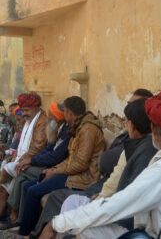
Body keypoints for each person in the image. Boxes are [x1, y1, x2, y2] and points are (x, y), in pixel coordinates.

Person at [40, 90, 161, 239]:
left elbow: (123, 201)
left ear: (152, 128)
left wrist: (58, 223)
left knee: (79, 226)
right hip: (138, 220)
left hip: (149, 231)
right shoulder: (151, 152)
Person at [18, 96, 105, 236]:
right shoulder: (79, 127)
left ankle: (25, 233)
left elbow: (81, 164)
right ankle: (29, 228)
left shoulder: (88, 129)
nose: (64, 116)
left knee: (34, 191)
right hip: (71, 173)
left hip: (82, 178)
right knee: (30, 186)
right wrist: (54, 170)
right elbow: (72, 159)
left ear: (70, 113)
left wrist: (56, 171)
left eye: (65, 112)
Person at [2, 101, 70, 229]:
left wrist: (31, 161)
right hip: (44, 164)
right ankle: (18, 218)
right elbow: (47, 149)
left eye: (51, 115)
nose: (48, 117)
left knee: (21, 171)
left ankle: (14, 214)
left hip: (53, 168)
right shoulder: (57, 128)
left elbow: (56, 156)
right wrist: (30, 161)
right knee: (23, 179)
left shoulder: (66, 132)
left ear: (57, 117)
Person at [0, 92, 47, 219]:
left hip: (35, 162)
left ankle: (13, 216)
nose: (24, 113)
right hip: (25, 160)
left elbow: (37, 148)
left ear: (36, 108)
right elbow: (20, 147)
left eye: (27, 110)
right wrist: (15, 159)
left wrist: (19, 161)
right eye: (23, 110)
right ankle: (9, 214)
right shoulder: (29, 120)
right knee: (3, 187)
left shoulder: (42, 122)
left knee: (7, 171)